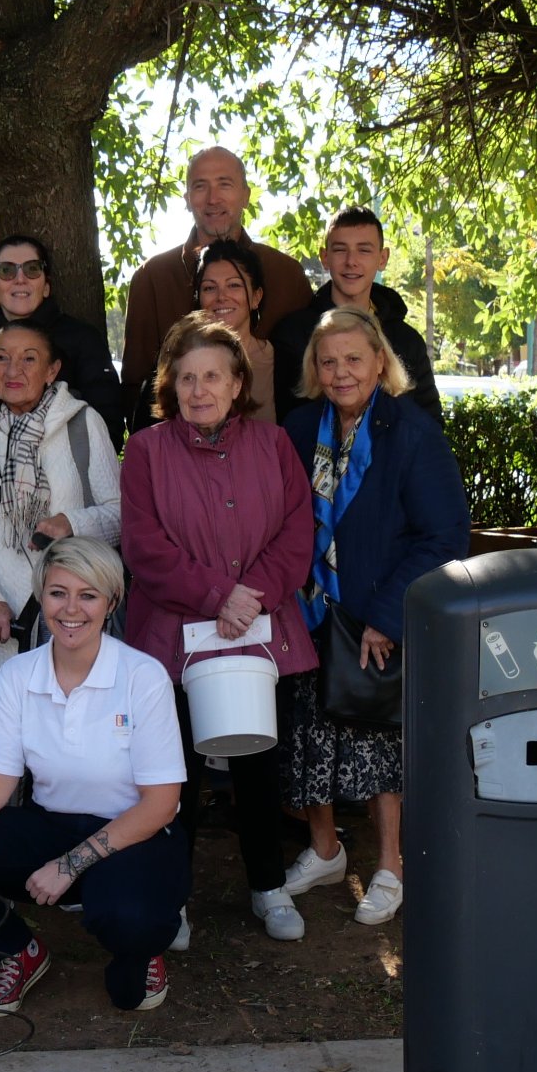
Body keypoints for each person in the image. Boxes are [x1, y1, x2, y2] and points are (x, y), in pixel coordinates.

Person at [0, 536, 187, 1015]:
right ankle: (15, 951)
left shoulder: (142, 676)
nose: (71, 609)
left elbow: (159, 805)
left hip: (135, 833)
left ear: (111, 602)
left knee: (130, 977)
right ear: (41, 596)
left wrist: (69, 866)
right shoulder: (18, 674)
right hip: (51, 824)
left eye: (88, 595)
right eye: (57, 593)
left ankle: (140, 945)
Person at [120, 315, 319, 942]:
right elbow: (145, 548)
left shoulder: (275, 445)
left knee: (260, 768)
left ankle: (269, 887)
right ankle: (171, 899)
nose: (199, 389)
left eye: (212, 376)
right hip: (172, 639)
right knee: (172, 774)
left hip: (262, 629)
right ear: (170, 386)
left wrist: (248, 598)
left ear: (238, 384)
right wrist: (217, 595)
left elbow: (297, 532)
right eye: (186, 378)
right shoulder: (147, 452)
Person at [278, 306, 470, 930]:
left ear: (380, 363)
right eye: (327, 361)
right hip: (308, 611)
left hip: (375, 619)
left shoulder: (411, 430)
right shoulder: (300, 425)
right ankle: (327, 851)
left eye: (353, 359)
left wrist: (386, 616)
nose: (340, 373)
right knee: (311, 738)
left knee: (380, 743)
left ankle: (391, 866)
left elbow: (443, 536)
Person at [0, 319, 123, 704]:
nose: (13, 370)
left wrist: (72, 523)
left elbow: (120, 514)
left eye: (28, 359)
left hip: (77, 610)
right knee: (17, 729)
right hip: (6, 618)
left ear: (52, 370)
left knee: (83, 719)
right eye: (2, 359)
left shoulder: (82, 423)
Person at [120, 147, 312, 412]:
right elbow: (135, 385)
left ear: (245, 195)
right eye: (201, 187)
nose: (213, 199)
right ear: (187, 199)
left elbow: (310, 382)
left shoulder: (286, 274)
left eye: (225, 185)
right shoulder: (152, 278)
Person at [266, 206, 442, 427]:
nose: (351, 261)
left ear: (382, 258)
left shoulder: (407, 341)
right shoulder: (293, 334)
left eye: (364, 250)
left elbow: (431, 425)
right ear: (324, 257)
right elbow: (285, 423)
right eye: (340, 250)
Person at [0, 235, 125, 439]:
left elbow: (108, 426)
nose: (20, 279)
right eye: (6, 270)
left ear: (46, 286)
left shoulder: (83, 339)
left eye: (32, 269)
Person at [185, 236, 280, 424]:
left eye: (234, 285)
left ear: (256, 297)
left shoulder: (281, 362)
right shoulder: (179, 361)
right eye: (210, 288)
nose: (221, 297)